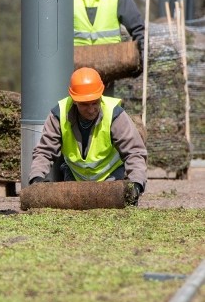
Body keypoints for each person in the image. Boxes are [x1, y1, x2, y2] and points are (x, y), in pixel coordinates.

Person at [28, 67, 148, 204]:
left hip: (111, 179)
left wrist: (136, 184)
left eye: (95, 103)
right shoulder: (58, 115)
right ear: (74, 100)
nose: (91, 110)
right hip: (74, 179)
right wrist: (36, 178)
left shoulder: (115, 114)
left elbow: (134, 151)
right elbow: (45, 151)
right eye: (84, 104)